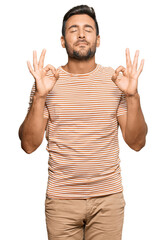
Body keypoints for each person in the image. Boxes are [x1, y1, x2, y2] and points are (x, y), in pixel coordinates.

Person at [18, 4, 148, 240]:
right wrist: (39, 96)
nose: (80, 34)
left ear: (98, 40)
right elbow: (28, 145)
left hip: (108, 200)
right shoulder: (46, 82)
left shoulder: (115, 80)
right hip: (61, 201)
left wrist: (132, 96)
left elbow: (137, 143)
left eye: (88, 29)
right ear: (62, 40)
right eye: (73, 29)